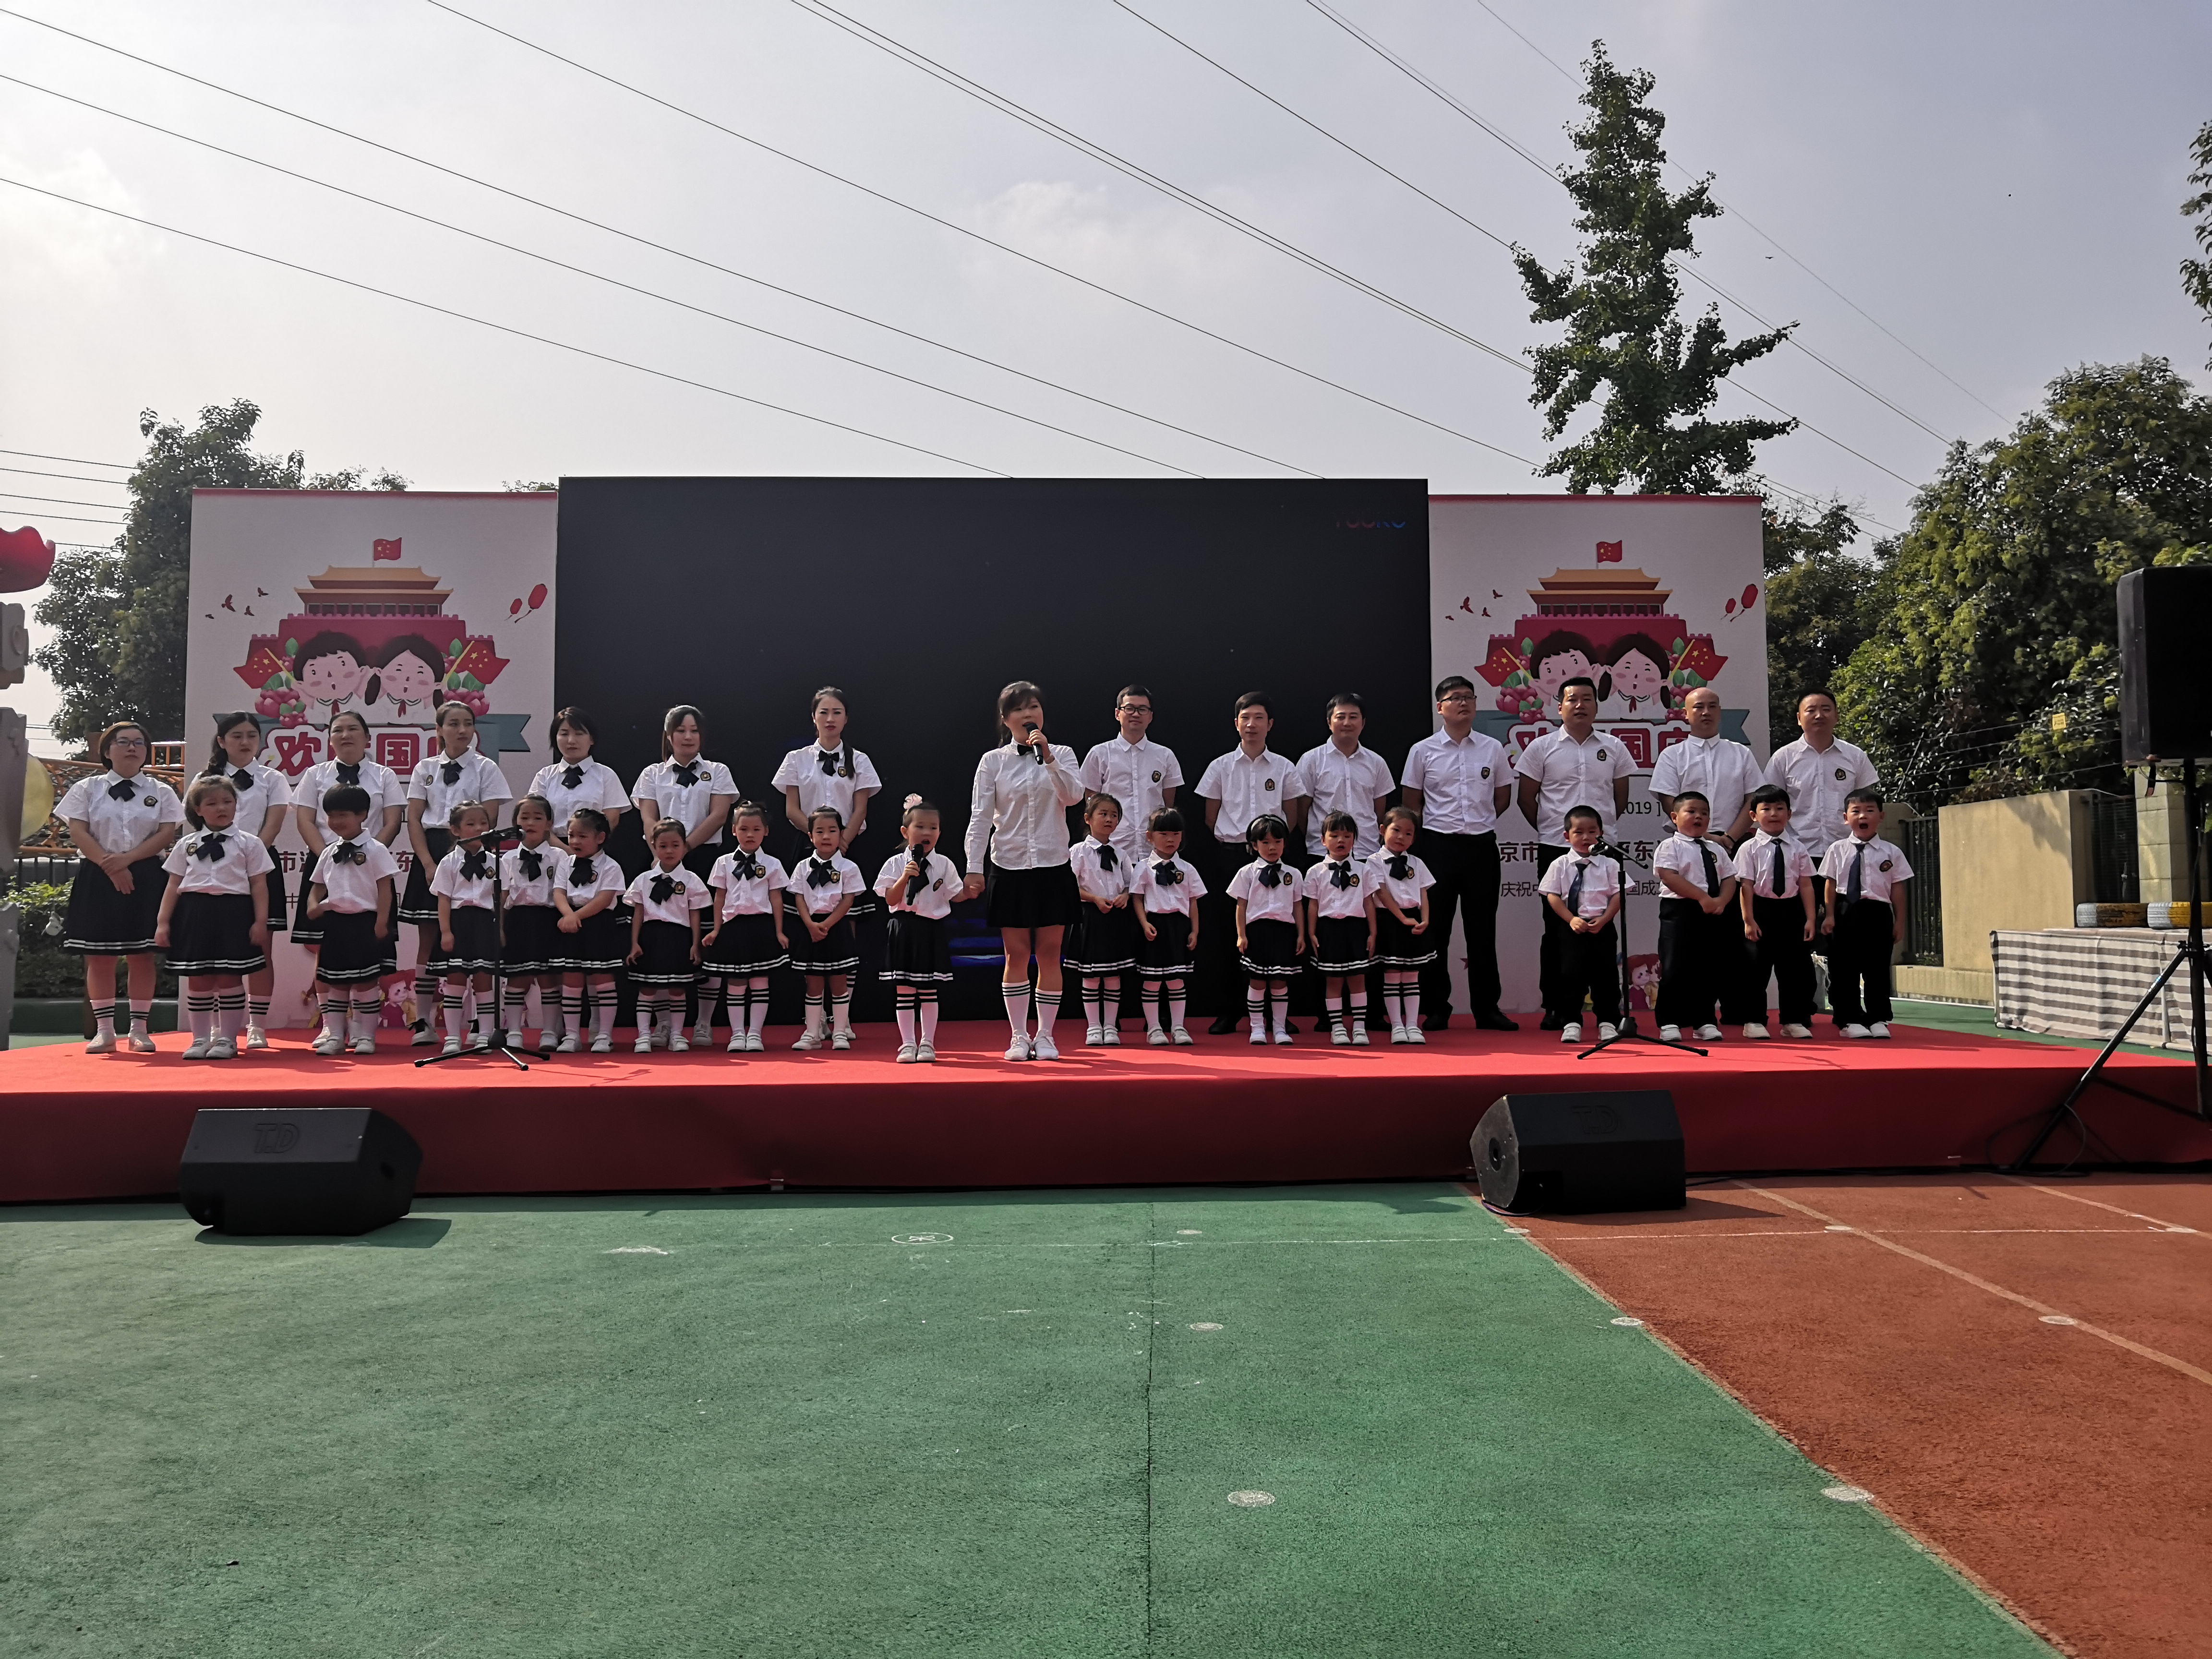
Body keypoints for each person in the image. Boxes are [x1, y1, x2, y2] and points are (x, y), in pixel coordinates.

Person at [961, 681, 1086, 1062]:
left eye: (1033, 707)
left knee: (1050, 953)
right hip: (1009, 864)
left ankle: (1046, 1035)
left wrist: (1048, 757)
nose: (1027, 714)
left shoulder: (1063, 754)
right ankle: (1018, 1035)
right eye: (1018, 709)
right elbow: (981, 817)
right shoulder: (992, 762)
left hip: (1053, 864)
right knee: (1016, 954)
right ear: (1005, 719)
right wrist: (973, 867)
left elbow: (1074, 797)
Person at [59, 721, 183, 1054]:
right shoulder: (86, 788)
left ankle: (139, 1030)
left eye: (139, 743)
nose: (132, 748)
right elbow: (78, 831)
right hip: (98, 873)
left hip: (146, 874)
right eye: (124, 741)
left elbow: (166, 834)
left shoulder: (161, 791)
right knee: (99, 957)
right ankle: (104, 1032)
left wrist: (126, 861)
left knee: (142, 955)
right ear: (107, 750)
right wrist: (110, 865)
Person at [1516, 677, 1633, 1029]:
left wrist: (1595, 835)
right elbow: (1526, 798)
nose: (1580, 705)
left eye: (1587, 699)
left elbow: (1620, 798)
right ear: (1560, 706)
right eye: (1572, 699)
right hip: (1556, 848)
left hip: (1604, 849)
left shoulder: (1614, 747)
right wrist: (1555, 833)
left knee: (1604, 931)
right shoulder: (1541, 748)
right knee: (1557, 931)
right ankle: (1557, 1007)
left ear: (1596, 706)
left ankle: (1607, 1012)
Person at [1400, 676, 1515, 1032]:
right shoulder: (1422, 751)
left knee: (1482, 931)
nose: (1463, 703)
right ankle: (1437, 1008)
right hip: (1437, 847)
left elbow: (1502, 797)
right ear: (1440, 707)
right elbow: (1411, 802)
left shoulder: (1492, 749)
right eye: (1455, 698)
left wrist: (1478, 823)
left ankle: (1487, 1009)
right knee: (1436, 930)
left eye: (1469, 697)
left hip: (1481, 847)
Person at [1195, 693, 1309, 1034]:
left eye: (1259, 718)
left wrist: (1271, 846)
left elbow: (1292, 815)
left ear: (1270, 724)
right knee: (1230, 934)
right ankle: (1229, 1011)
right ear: (1236, 724)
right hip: (1232, 857)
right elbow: (1210, 817)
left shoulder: (1284, 767)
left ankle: (1277, 1016)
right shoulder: (1220, 766)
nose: (1252, 724)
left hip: (1274, 857)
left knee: (1275, 934)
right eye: (1245, 718)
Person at [402, 703, 512, 1046]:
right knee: (429, 940)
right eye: (453, 724)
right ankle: (423, 1021)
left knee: (476, 943)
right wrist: (427, 863)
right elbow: (414, 818)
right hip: (433, 849)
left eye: (468, 724)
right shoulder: (425, 768)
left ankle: (479, 1025)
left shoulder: (486, 768)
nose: (462, 730)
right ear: (439, 730)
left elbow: (488, 821)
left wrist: (471, 847)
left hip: (472, 850)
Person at [153, 775, 274, 1059]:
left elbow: (259, 884)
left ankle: (228, 1040)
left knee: (230, 976)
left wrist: (260, 922)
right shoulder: (187, 844)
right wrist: (163, 922)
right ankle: (199, 1039)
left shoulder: (250, 843)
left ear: (236, 805)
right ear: (198, 810)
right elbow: (173, 884)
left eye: (227, 802)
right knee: (199, 979)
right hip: (194, 914)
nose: (221, 808)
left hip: (234, 913)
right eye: (212, 803)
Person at [202, 711, 292, 1047]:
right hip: (213, 866)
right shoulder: (205, 779)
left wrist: (248, 858)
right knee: (216, 950)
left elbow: (273, 824)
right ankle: (217, 1026)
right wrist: (228, 859)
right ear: (222, 741)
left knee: (261, 947)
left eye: (251, 736)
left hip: (260, 866)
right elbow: (198, 823)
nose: (244, 742)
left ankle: (257, 1026)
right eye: (236, 736)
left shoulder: (273, 778)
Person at [290, 710, 405, 958]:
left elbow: (393, 823)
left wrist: (367, 855)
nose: (345, 735)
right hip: (325, 863)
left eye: (353, 729)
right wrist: (330, 857)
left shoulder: (385, 775)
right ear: (330, 740)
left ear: (367, 737)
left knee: (373, 941)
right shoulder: (315, 774)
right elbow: (305, 821)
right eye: (338, 731)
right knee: (324, 945)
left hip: (372, 867)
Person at [302, 783, 399, 1055]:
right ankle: (335, 1036)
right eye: (331, 816)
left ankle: (366, 1036)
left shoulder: (376, 849)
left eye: (343, 815)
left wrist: (382, 922)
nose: (336, 822)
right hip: (336, 923)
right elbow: (317, 886)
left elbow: (385, 888)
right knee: (337, 982)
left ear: (363, 815)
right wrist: (314, 906)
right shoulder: (329, 851)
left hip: (365, 923)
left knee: (366, 982)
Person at [1820, 789, 1912, 1039]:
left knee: (1877, 968)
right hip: (1845, 911)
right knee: (1844, 968)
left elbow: (1897, 888)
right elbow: (1830, 884)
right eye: (1856, 811)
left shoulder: (1891, 852)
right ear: (1845, 818)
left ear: (1881, 816)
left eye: (1870, 811)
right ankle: (1848, 1019)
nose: (1863, 816)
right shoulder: (1837, 849)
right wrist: (1829, 915)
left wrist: (1900, 922)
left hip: (1878, 912)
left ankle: (1878, 1018)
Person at [876, 797, 961, 1063]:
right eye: (921, 827)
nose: (927, 832)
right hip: (903, 928)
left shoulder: (944, 864)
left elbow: (956, 894)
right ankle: (907, 1044)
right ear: (906, 832)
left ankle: (927, 1043)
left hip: (930, 929)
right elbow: (890, 899)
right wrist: (905, 876)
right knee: (904, 990)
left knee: (928, 990)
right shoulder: (895, 864)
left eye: (933, 828)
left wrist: (972, 889)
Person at [701, 802, 791, 1054]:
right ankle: (737, 1034)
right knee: (736, 984)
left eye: (756, 829)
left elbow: (776, 899)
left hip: (761, 927)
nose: (750, 834)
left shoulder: (772, 864)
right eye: (744, 829)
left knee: (760, 982)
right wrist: (717, 929)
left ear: (766, 832)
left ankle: (755, 1034)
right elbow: (719, 898)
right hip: (733, 928)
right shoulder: (723, 863)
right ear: (734, 831)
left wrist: (779, 931)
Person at [1650, 791, 1740, 1044]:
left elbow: (1729, 878)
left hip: (1712, 911)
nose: (1699, 817)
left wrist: (1721, 901)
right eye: (1691, 812)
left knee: (1708, 968)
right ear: (1674, 817)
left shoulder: (1716, 848)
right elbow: (1669, 876)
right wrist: (1702, 898)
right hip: (1679, 911)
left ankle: (1704, 1021)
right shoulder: (1670, 846)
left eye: (1704, 813)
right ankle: (1669, 1021)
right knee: (1675, 966)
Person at [1534, 804, 1623, 1044]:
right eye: (1579, 832)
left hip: (1602, 926)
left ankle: (1608, 1022)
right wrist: (1571, 919)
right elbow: (1552, 895)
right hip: (1572, 928)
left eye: (1592, 832)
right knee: (1570, 975)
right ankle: (1571, 1022)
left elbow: (1618, 894)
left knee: (1606, 975)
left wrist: (1605, 919)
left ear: (1601, 834)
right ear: (1567, 836)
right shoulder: (1560, 864)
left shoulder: (1610, 864)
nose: (1586, 838)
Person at [1734, 784, 1816, 1039]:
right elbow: (1746, 885)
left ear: (1789, 814)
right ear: (1754, 816)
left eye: (1780, 808)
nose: (1774, 814)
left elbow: (1806, 884)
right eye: (1766, 809)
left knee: (1793, 969)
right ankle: (1753, 1020)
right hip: (1760, 909)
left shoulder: (1798, 848)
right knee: (1756, 969)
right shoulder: (1749, 848)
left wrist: (1811, 918)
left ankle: (1793, 1019)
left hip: (1791, 910)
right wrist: (1748, 920)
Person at [625, 818, 709, 1053]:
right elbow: (638, 914)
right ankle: (643, 1035)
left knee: (677, 989)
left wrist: (695, 945)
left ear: (684, 846)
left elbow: (694, 915)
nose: (669, 851)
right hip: (651, 937)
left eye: (675, 845)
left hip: (679, 937)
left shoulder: (691, 880)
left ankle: (677, 1035)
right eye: (663, 846)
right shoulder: (643, 880)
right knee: (647, 988)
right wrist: (635, 943)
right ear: (654, 846)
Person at [631, 705, 739, 884]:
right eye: (681, 731)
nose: (688, 737)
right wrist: (660, 854)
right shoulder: (652, 773)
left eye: (694, 731)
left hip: (704, 856)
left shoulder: (718, 771)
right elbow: (649, 819)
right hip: (661, 855)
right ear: (669, 735)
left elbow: (719, 816)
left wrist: (684, 848)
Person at [1766, 689, 1878, 862]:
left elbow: (1868, 803)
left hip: (1848, 851)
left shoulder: (1855, 756)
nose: (1819, 715)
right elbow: (1769, 804)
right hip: (1796, 852)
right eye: (1811, 710)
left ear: (1837, 716)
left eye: (1826, 709)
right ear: (1799, 718)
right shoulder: (1783, 758)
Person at [1065, 794, 1139, 1046]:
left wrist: (1125, 896)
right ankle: (1093, 1027)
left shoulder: (1121, 853)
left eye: (1114, 815)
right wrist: (1094, 898)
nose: (1109, 819)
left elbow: (1131, 884)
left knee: (1114, 975)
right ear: (1088, 818)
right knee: (1092, 975)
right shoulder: (1078, 852)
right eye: (1103, 814)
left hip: (1115, 917)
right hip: (1090, 916)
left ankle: (1111, 1026)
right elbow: (1069, 887)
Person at [1080, 685, 1182, 866]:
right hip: (1112, 846)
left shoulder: (1165, 755)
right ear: (1118, 714)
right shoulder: (1100, 754)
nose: (1136, 714)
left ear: (1150, 716)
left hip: (1153, 849)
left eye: (1142, 709)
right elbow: (1092, 802)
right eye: (1129, 708)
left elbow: (1168, 804)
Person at [430, 801, 503, 1056]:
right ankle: (452, 1037)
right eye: (471, 824)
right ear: (455, 830)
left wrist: (500, 930)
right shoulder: (448, 862)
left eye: (484, 823)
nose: (479, 828)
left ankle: (484, 1036)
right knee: (456, 981)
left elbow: (501, 899)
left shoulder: (496, 861)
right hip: (458, 923)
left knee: (484, 981)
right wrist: (446, 932)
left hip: (485, 924)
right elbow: (443, 900)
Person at [552, 806, 626, 1054]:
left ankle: (604, 1035)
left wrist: (576, 916)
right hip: (571, 923)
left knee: (602, 979)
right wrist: (568, 915)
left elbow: (605, 899)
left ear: (600, 837)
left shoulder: (611, 866)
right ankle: (572, 1035)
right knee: (572, 980)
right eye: (571, 835)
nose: (575, 841)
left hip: (598, 924)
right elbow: (559, 892)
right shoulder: (566, 864)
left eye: (582, 836)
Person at [790, 806, 865, 1051]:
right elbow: (799, 897)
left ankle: (840, 1032)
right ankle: (812, 1033)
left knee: (839, 982)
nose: (826, 836)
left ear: (841, 834)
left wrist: (827, 924)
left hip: (837, 928)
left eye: (832, 831)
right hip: (810, 928)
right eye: (819, 831)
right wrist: (810, 925)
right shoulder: (802, 867)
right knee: (813, 984)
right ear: (810, 836)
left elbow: (848, 900)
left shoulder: (849, 867)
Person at [774, 685, 880, 859]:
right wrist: (818, 836)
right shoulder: (796, 758)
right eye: (824, 713)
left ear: (846, 718)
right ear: (814, 717)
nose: (830, 719)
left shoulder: (860, 760)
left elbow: (860, 810)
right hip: (808, 842)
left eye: (837, 713)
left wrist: (842, 841)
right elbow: (792, 810)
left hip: (849, 844)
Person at [1650, 686, 1762, 848]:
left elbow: (1754, 798)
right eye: (1699, 707)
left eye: (1712, 706)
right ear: (1685, 714)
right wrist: (1706, 837)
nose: (1706, 712)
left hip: (1735, 844)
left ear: (1719, 711)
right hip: (1686, 843)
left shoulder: (1741, 753)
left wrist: (1730, 839)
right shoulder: (1672, 755)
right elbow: (1669, 802)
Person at [495, 795, 564, 1053]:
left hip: (549, 919)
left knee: (548, 977)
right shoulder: (507, 859)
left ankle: (550, 1031)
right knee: (517, 977)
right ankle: (514, 1031)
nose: (531, 823)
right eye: (525, 818)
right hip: (518, 920)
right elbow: (502, 898)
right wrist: (500, 929)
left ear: (550, 823)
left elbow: (564, 892)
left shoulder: (559, 856)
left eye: (538, 818)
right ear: (516, 823)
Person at [1130, 806, 1204, 1046]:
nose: (1170, 839)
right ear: (1149, 836)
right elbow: (1137, 898)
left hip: (1179, 928)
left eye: (1175, 834)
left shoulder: (1188, 869)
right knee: (1152, 981)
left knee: (1176, 980)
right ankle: (1154, 1028)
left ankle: (1178, 1027)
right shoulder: (1143, 868)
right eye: (1163, 834)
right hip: (1154, 927)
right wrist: (1144, 924)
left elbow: (1193, 901)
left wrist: (1195, 930)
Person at [1301, 809, 1375, 1045]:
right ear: (1323, 840)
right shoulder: (1315, 872)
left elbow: (1368, 902)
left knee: (1358, 979)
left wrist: (1373, 932)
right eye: (1334, 836)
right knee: (1333, 980)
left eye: (1347, 836)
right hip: (1328, 929)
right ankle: (1337, 1027)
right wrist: (1311, 932)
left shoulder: (1364, 870)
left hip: (1356, 929)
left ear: (1355, 839)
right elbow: (1313, 905)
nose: (1341, 841)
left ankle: (1360, 1028)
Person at [1229, 813, 1303, 1045]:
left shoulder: (1293, 874)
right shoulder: (1247, 873)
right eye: (1266, 842)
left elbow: (1297, 906)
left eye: (1278, 842)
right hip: (1257, 932)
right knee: (1258, 981)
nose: (1272, 848)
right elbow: (1241, 906)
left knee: (1280, 982)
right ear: (1254, 845)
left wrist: (1301, 934)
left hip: (1284, 932)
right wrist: (1241, 935)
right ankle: (1257, 1028)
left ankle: (1280, 1029)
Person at [1366, 805, 1437, 1045]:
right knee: (1392, 974)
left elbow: (1423, 892)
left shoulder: (1416, 863)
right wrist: (1401, 918)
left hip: (1414, 920)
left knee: (1412, 975)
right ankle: (1397, 1025)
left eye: (1408, 834)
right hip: (1390, 920)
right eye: (1396, 830)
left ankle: (1413, 1025)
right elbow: (1381, 892)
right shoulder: (1374, 861)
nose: (1401, 837)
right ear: (1382, 830)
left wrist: (1425, 919)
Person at [530, 706, 631, 849]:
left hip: (593, 851)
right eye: (564, 734)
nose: (571, 741)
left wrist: (583, 849)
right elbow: (536, 819)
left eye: (579, 734)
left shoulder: (606, 775)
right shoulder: (544, 776)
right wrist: (565, 851)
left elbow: (611, 820)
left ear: (592, 739)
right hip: (550, 850)